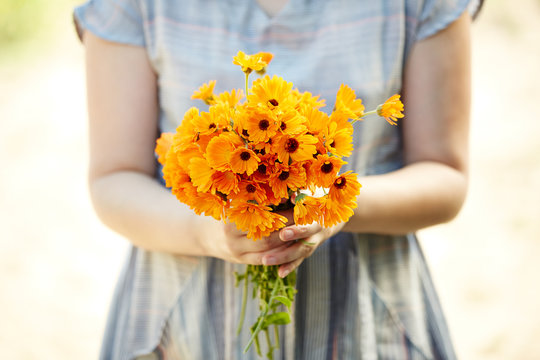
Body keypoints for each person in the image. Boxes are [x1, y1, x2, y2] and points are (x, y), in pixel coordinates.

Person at [74, 0, 482, 358]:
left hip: (365, 315)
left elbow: (445, 174)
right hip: (183, 320)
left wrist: (336, 207)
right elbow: (115, 177)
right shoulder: (135, 5)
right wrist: (208, 232)